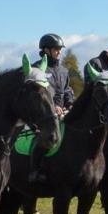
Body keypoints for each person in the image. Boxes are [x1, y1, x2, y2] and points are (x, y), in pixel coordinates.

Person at [28, 33, 74, 184]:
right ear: (46, 50)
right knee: (43, 137)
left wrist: (70, 103)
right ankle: (35, 170)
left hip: (63, 112)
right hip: (44, 113)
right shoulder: (36, 68)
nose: (59, 51)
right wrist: (53, 107)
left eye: (60, 49)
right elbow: (39, 94)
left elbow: (67, 90)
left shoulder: (63, 70)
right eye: (56, 49)